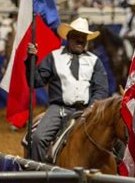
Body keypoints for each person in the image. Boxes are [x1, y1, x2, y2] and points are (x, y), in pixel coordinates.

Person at [25, 17, 109, 162]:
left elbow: (101, 89)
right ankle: (37, 176)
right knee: (38, 138)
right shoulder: (54, 57)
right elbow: (36, 82)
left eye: (83, 37)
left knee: (112, 140)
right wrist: (31, 60)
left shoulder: (94, 60)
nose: (80, 40)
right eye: (77, 36)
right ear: (68, 37)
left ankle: (118, 178)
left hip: (87, 110)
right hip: (58, 109)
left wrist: (92, 107)